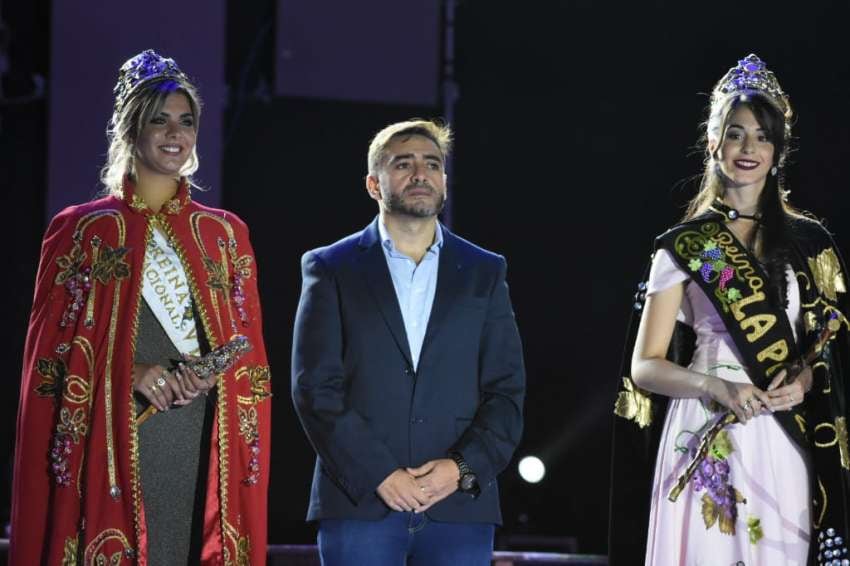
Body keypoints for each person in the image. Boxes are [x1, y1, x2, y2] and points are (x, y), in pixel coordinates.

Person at [10, 50, 271, 565]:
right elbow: (47, 362)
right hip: (117, 440)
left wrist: (217, 374)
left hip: (201, 443)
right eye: (159, 119)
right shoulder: (84, 229)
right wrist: (126, 371)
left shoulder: (224, 234)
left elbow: (252, 364)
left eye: (186, 121)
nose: (175, 133)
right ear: (131, 128)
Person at [609, 54, 850, 565]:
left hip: (781, 431)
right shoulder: (683, 245)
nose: (750, 148)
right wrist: (717, 387)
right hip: (704, 423)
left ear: (779, 150)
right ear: (714, 141)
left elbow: (832, 348)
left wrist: (804, 383)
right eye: (737, 133)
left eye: (763, 136)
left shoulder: (812, 242)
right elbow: (645, 364)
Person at [291, 119, 525, 565]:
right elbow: (314, 388)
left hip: (459, 507)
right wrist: (378, 473)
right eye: (403, 164)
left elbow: (506, 390)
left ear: (444, 181)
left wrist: (460, 469)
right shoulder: (330, 268)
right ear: (373, 185)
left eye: (432, 164)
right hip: (361, 504)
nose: (421, 174)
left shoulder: (484, 271)